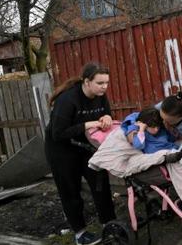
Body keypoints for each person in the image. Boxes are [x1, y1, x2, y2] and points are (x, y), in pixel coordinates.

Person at [44, 62, 116, 245]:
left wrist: (107, 117)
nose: (104, 87)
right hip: (61, 150)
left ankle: (109, 223)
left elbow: (106, 115)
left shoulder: (101, 96)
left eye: (106, 83)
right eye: (100, 83)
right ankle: (80, 233)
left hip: (85, 147)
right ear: (87, 81)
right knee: (71, 191)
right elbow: (58, 133)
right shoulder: (68, 100)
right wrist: (87, 124)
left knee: (101, 184)